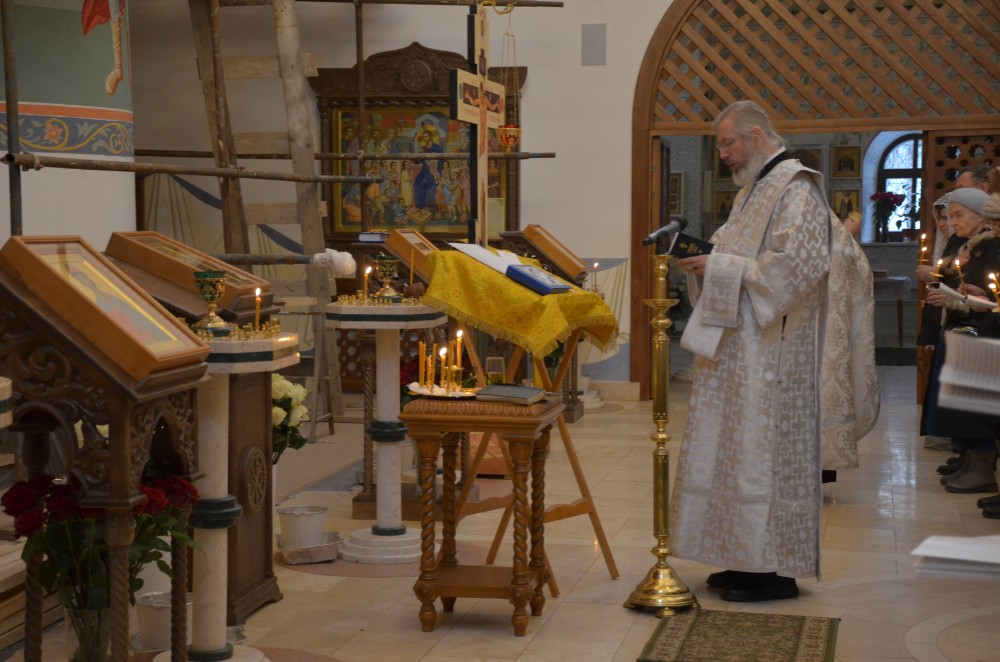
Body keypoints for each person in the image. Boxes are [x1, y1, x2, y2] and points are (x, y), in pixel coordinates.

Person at [669, 100, 878, 602]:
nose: (722, 153)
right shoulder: (753, 191)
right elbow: (734, 251)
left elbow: (796, 268)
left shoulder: (797, 188)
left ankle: (774, 571)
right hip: (739, 352)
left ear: (757, 135)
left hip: (776, 355)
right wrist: (706, 261)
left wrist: (722, 266)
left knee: (762, 456)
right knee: (735, 453)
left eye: (727, 143)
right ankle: (743, 558)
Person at [921, 188, 1000, 494]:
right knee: (965, 407)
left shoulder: (989, 247)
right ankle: (970, 462)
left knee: (977, 410)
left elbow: (987, 292)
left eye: (958, 215)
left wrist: (960, 299)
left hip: (983, 331)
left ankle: (981, 468)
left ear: (981, 215)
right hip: (972, 328)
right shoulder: (972, 247)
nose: (952, 222)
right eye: (949, 216)